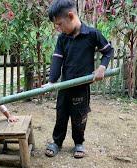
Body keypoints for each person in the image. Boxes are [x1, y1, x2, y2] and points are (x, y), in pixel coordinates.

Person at [43, 0, 114, 158]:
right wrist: (51, 82)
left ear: (71, 16)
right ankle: (57, 142)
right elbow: (57, 60)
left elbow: (108, 52)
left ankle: (79, 143)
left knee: (79, 116)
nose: (58, 28)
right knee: (61, 115)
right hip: (65, 86)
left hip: (82, 87)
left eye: (60, 24)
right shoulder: (63, 38)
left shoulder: (92, 34)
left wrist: (102, 67)